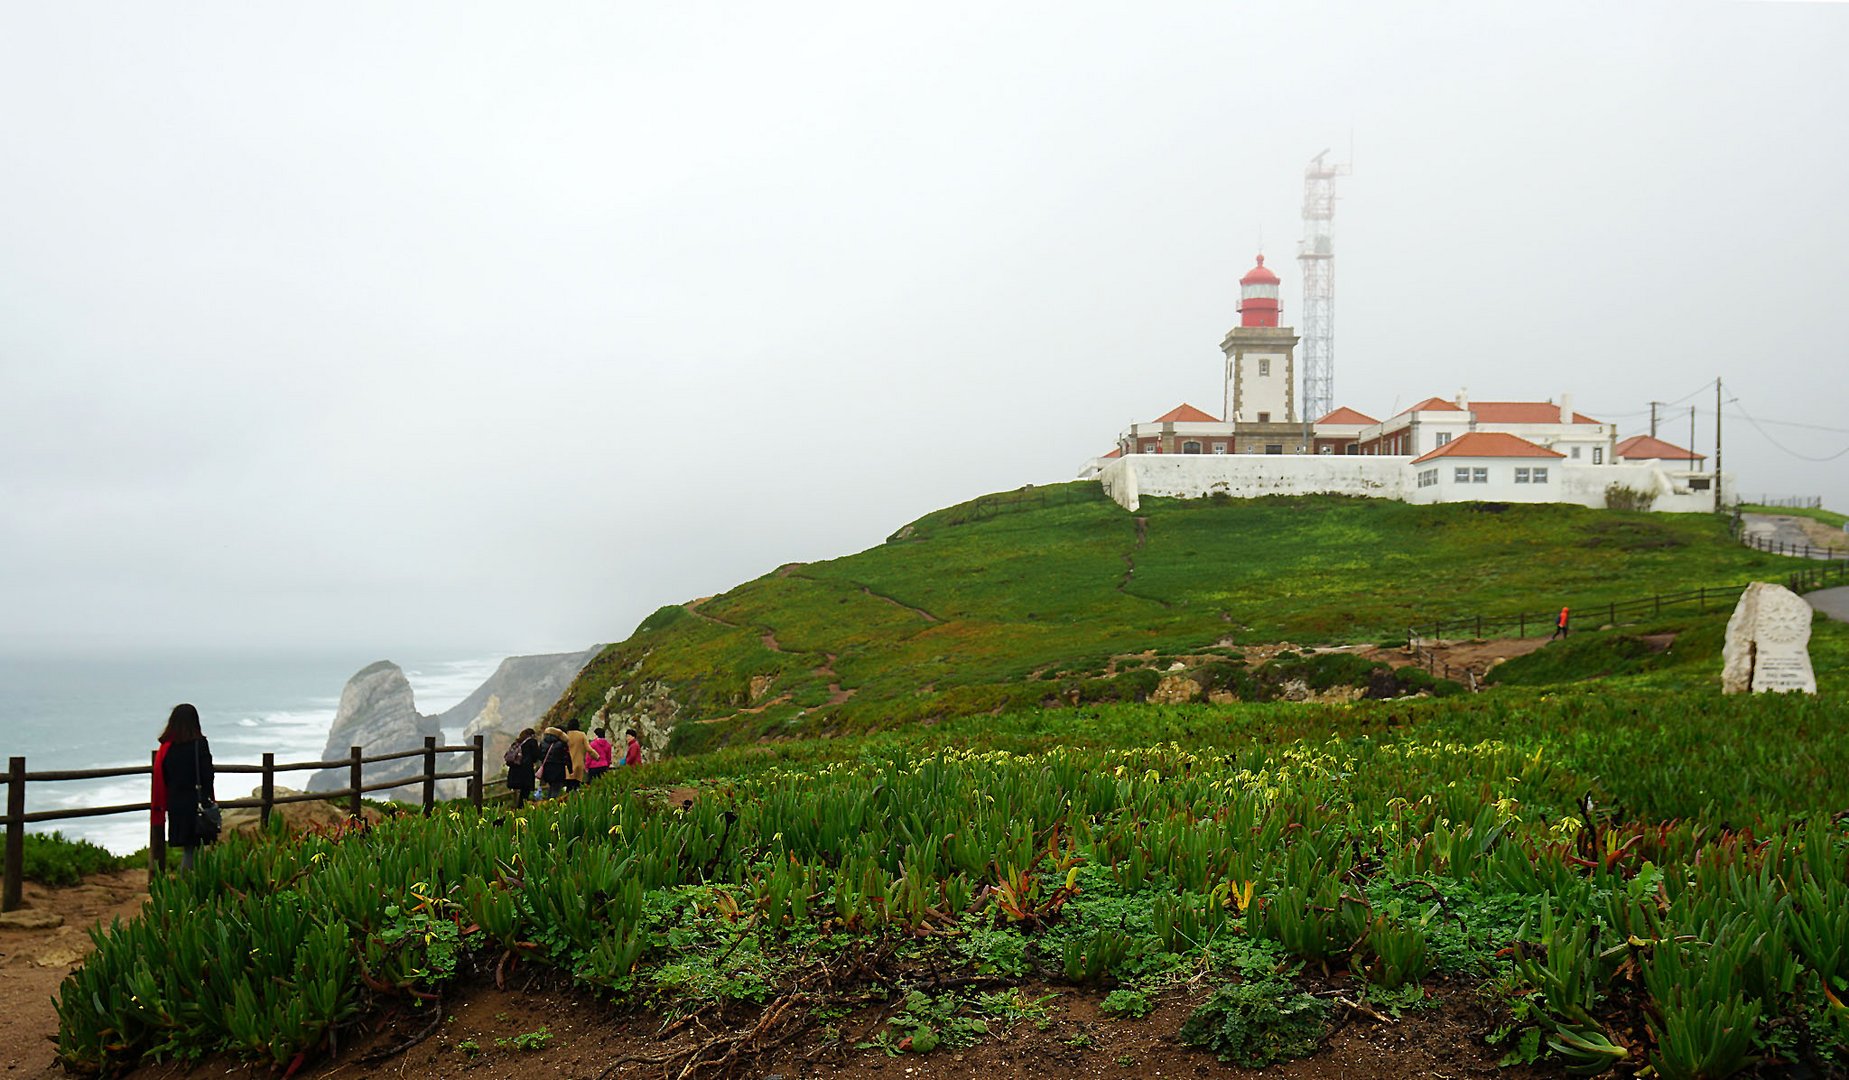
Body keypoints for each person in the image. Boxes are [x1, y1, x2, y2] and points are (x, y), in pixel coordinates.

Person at [151, 703, 216, 871]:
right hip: (196, 804)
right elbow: (207, 774)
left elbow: (162, 778)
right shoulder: (199, 744)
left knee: (189, 849)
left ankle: (188, 885)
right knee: (193, 850)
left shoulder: (166, 748)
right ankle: (187, 887)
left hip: (175, 805)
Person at [504, 728, 540, 807]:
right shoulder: (532, 742)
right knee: (525, 792)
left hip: (515, 770)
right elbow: (535, 756)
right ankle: (521, 808)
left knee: (519, 791)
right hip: (525, 771)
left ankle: (516, 807)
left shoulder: (518, 742)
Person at [537, 727, 571, 800]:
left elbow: (540, 756)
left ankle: (549, 804)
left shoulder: (543, 743)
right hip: (558, 769)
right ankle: (553, 805)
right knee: (556, 789)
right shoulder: (561, 744)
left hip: (547, 770)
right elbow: (566, 757)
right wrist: (570, 769)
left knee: (551, 787)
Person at [564, 724, 589, 794]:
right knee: (576, 786)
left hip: (567, 765)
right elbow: (588, 748)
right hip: (578, 764)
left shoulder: (565, 735)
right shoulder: (581, 735)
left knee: (568, 787)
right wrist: (596, 756)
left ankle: (567, 801)